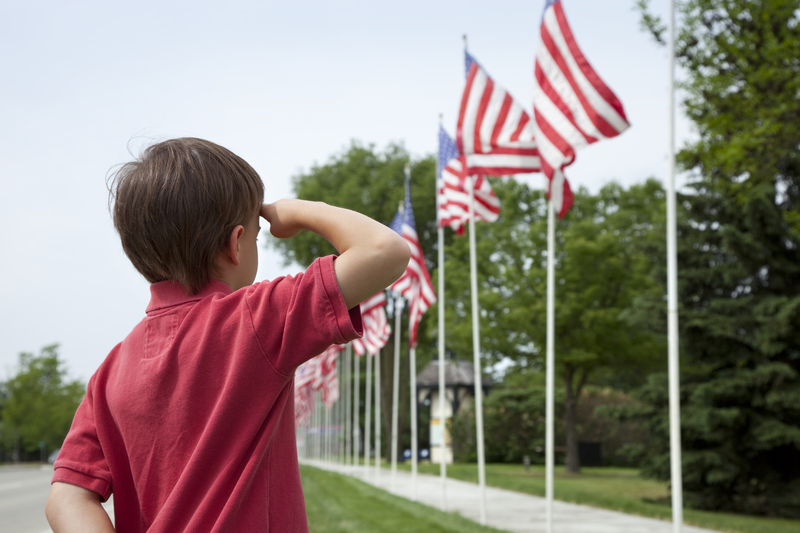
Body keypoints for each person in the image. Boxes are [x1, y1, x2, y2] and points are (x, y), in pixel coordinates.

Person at [44, 138, 410, 533]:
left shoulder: (110, 372)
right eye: (257, 234)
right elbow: (383, 250)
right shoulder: (255, 318)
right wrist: (299, 211)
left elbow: (66, 496)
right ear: (236, 244)